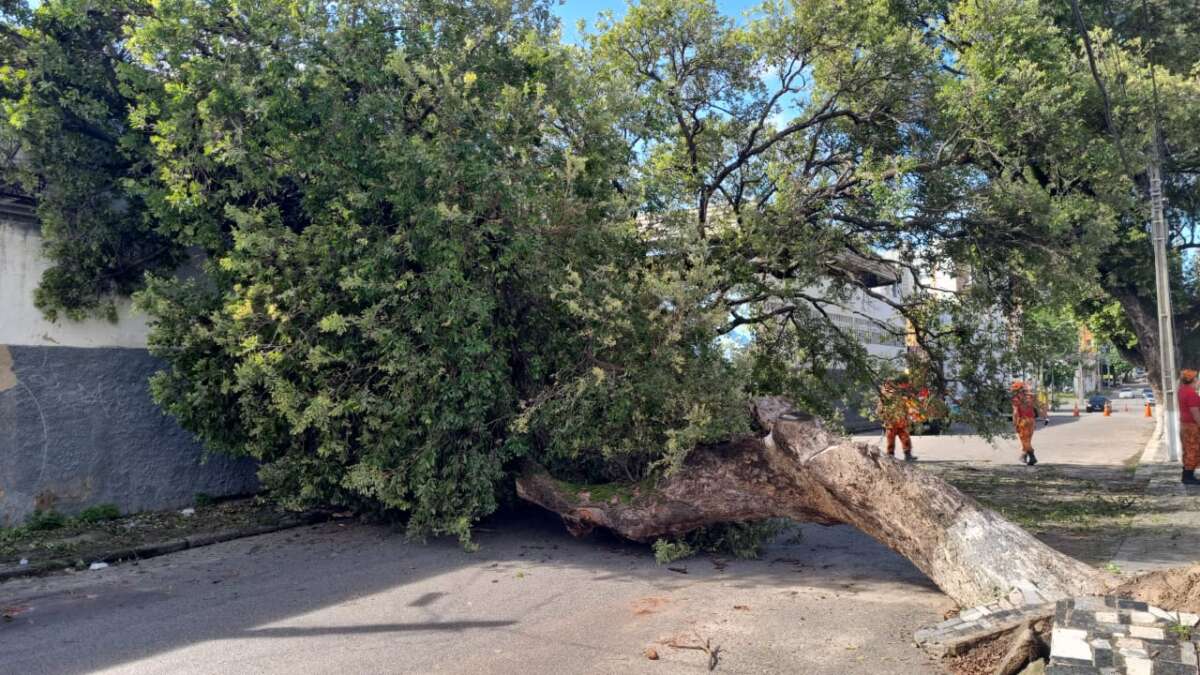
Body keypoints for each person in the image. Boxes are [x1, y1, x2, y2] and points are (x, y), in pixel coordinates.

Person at [878, 377, 918, 461]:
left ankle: (908, 455)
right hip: (891, 422)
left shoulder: (900, 393)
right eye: (891, 383)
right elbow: (880, 407)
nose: (893, 385)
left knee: (905, 438)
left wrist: (908, 416)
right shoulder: (884, 394)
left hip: (901, 421)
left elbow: (905, 405)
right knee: (890, 440)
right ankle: (890, 456)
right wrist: (882, 417)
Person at [1178, 369, 1200, 485]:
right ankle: (1188, 477)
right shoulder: (1191, 393)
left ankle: (1186, 475)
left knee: (1187, 450)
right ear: (1193, 380)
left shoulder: (1182, 390)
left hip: (1184, 425)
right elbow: (1195, 412)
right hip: (1192, 426)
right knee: (1193, 449)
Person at [1011, 380, 1041, 465]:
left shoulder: (1016, 399)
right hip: (1031, 420)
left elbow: (1015, 412)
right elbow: (1037, 404)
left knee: (1025, 441)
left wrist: (1015, 422)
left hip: (1023, 421)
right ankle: (1023, 456)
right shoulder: (1030, 397)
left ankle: (1032, 456)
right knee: (1027, 440)